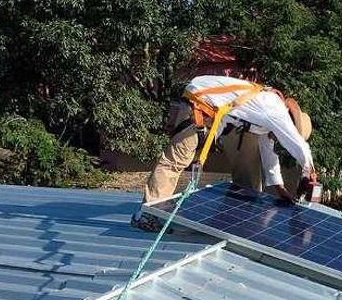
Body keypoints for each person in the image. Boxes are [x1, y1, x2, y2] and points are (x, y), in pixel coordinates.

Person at [132, 75, 316, 230]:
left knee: (182, 159)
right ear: (290, 121)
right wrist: (310, 172)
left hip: (209, 112)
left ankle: (152, 211)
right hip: (199, 107)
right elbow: (298, 145)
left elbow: (268, 153)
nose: (277, 139)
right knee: (174, 162)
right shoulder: (275, 109)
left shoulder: (265, 113)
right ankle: (145, 215)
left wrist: (279, 188)